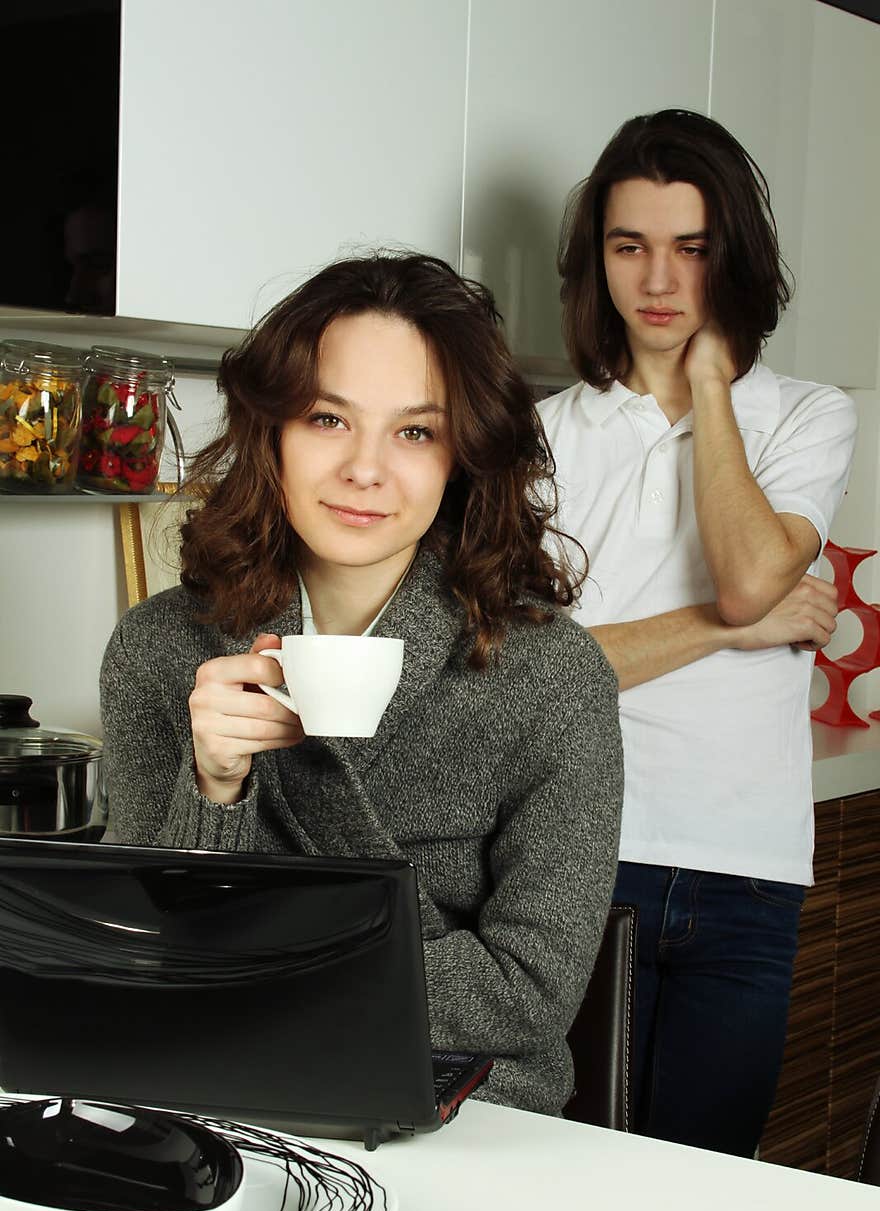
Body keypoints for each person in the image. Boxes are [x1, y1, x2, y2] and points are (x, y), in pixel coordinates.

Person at [99, 251, 624, 1119]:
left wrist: (260, 963)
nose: (366, 470)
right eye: (327, 419)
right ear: (271, 429)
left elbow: (530, 992)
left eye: (415, 431)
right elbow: (138, 953)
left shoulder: (553, 677)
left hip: (467, 1116)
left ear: (464, 456)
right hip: (216, 1099)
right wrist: (213, 788)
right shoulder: (161, 648)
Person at [537, 109, 857, 1157]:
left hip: (749, 867)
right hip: (579, 854)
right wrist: (728, 629)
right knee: (569, 1179)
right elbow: (536, 680)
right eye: (630, 247)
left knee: (710, 1186)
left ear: (734, 260)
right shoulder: (536, 439)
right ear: (598, 262)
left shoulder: (809, 413)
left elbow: (754, 567)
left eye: (691, 248)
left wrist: (712, 382)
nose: (659, 280)